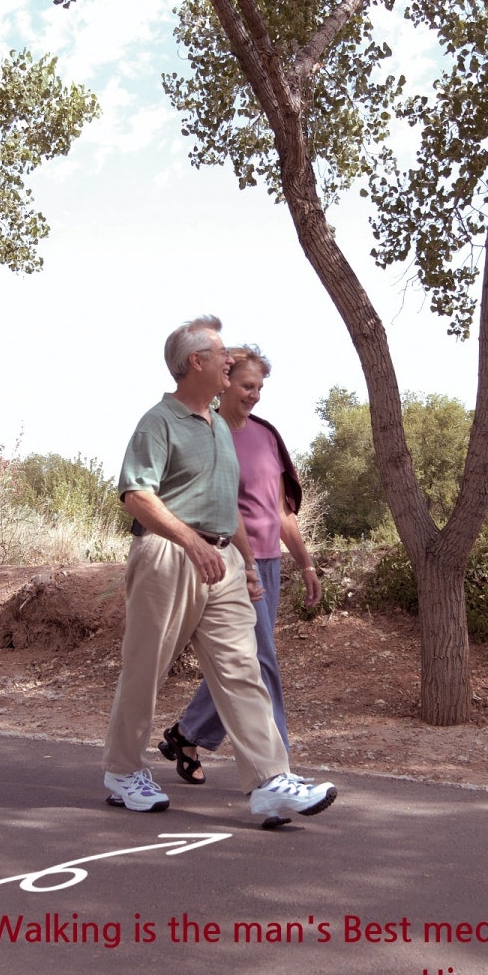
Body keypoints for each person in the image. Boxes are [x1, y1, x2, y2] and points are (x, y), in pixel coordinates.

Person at [102, 315, 337, 825]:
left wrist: (248, 565)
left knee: (242, 670)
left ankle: (270, 781)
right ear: (196, 363)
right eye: (222, 353)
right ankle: (123, 772)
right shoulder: (158, 422)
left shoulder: (221, 428)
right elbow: (136, 495)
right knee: (146, 669)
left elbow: (226, 506)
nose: (230, 359)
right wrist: (187, 539)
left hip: (225, 561)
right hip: (169, 554)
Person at [158, 346, 321, 784]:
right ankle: (277, 773)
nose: (255, 395)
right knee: (262, 663)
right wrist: (242, 561)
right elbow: (216, 506)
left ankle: (187, 733)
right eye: (248, 386)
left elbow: (281, 512)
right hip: (230, 562)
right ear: (225, 382)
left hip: (269, 563)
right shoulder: (208, 434)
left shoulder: (267, 435)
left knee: (242, 660)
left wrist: (305, 563)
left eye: (260, 388)